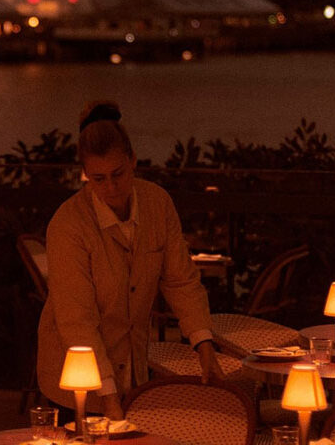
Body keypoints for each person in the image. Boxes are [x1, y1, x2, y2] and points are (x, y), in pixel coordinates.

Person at [37, 101, 222, 419]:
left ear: (133, 160)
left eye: (118, 174)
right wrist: (108, 394)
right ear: (85, 175)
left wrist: (203, 343)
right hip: (77, 380)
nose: (111, 188)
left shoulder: (157, 204)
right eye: (98, 179)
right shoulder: (69, 225)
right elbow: (77, 321)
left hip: (134, 369)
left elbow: (181, 280)